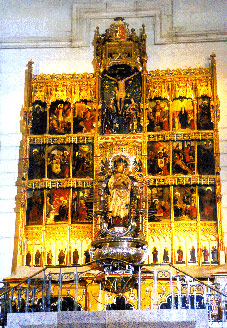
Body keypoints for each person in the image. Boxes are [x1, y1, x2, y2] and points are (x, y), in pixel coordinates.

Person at [108, 157, 131, 225]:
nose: (120, 168)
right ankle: (115, 223)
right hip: (116, 195)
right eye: (119, 167)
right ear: (116, 168)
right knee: (116, 209)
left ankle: (124, 223)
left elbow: (129, 185)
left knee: (123, 210)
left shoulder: (125, 177)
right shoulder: (113, 176)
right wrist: (116, 183)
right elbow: (110, 185)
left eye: (122, 167)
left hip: (124, 194)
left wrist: (125, 182)